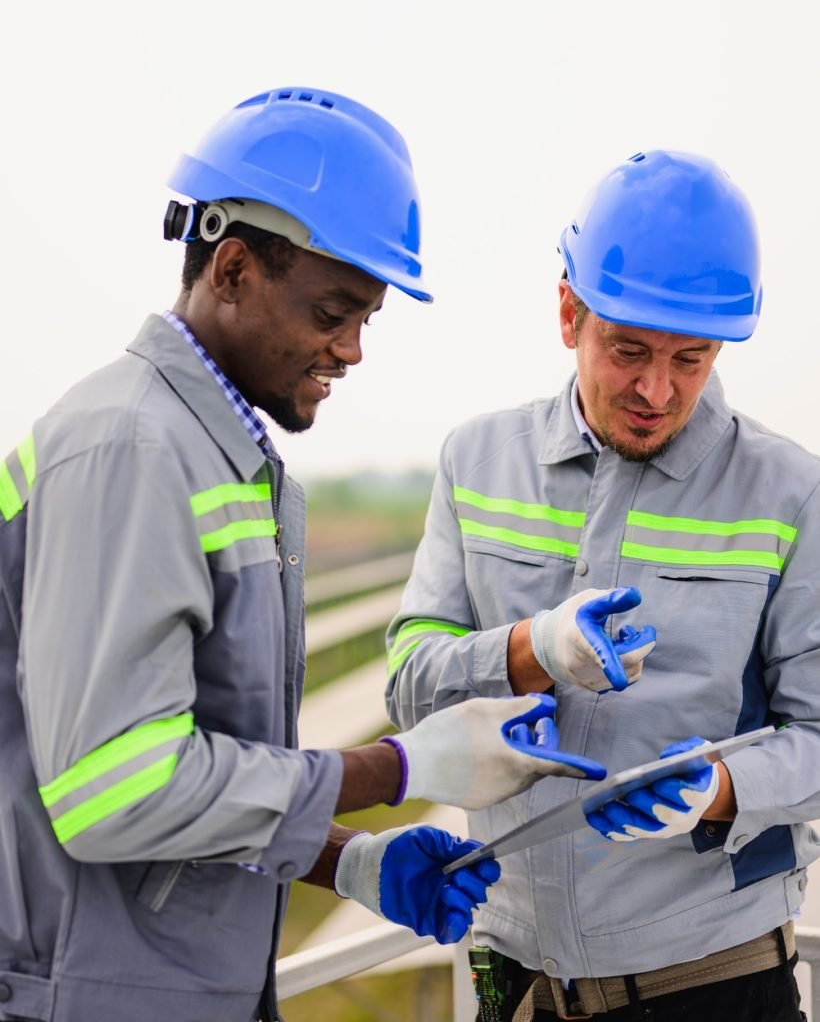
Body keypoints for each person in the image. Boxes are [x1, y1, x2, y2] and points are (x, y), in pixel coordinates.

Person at [0, 87, 611, 1022]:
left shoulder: (230, 462)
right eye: (334, 311)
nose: (353, 349)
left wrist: (341, 857)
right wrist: (399, 770)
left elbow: (207, 773)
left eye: (367, 318)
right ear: (234, 269)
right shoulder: (130, 450)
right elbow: (113, 791)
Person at [386, 149, 818, 1021]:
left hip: (715, 986)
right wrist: (527, 652)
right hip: (517, 985)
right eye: (628, 351)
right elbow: (406, 687)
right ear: (567, 313)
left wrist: (720, 791)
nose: (659, 391)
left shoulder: (789, 493)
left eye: (691, 359)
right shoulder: (477, 464)